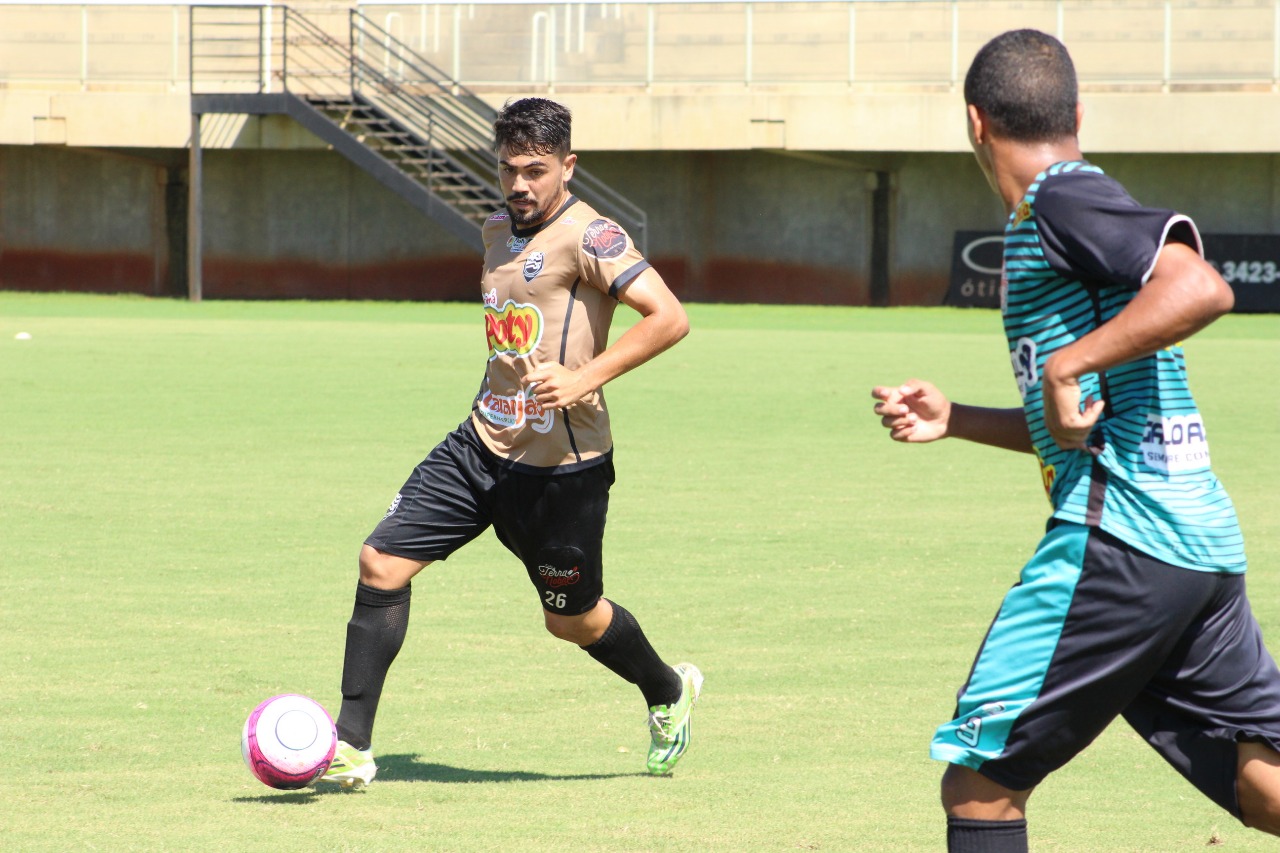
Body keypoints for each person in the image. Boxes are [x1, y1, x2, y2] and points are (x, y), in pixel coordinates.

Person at [872, 29, 1280, 852]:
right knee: (1262, 784)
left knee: (981, 784)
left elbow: (1201, 286)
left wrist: (1066, 366)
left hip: (1122, 540)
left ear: (976, 124)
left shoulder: (1061, 197)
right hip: (1193, 543)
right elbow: (1091, 418)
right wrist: (962, 420)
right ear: (1078, 113)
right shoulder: (1056, 213)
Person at [320, 97, 702, 787]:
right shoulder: (496, 227)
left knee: (573, 622)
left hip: (562, 471)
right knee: (379, 561)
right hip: (478, 447)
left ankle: (668, 691)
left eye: (535, 170)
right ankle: (349, 746)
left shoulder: (594, 237)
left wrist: (583, 375)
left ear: (567, 166)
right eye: (508, 169)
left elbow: (669, 317)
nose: (520, 184)